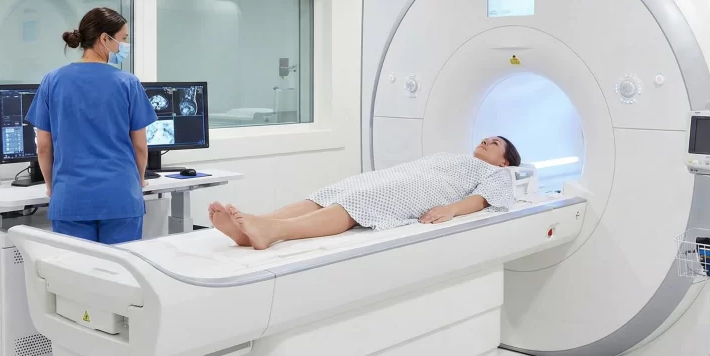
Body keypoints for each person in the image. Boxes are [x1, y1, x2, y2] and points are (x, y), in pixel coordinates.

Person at [25, 7, 156, 356]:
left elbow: (43, 145)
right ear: (105, 40)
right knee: (120, 284)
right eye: (124, 38)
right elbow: (140, 148)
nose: (124, 46)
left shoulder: (53, 81)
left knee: (74, 285)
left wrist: (52, 185)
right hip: (120, 195)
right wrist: (138, 182)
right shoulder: (127, 83)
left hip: (72, 197)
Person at [209, 137, 522, 250]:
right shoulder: (455, 157)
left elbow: (482, 200)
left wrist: (451, 209)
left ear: (505, 160)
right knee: (340, 188)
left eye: (493, 143)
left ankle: (274, 231)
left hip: (426, 189)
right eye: (484, 138)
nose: (484, 141)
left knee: (364, 199)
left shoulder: (498, 174)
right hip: (406, 175)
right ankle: (252, 226)